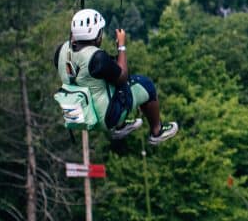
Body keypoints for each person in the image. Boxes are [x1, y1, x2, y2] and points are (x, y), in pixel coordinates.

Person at [55, 9, 178, 145]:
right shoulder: (97, 58)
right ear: (97, 35)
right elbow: (123, 77)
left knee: (104, 84)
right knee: (145, 84)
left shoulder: (61, 50)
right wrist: (121, 46)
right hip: (106, 119)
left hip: (80, 116)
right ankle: (156, 131)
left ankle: (123, 126)